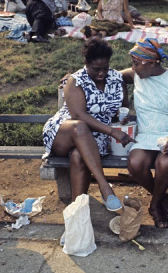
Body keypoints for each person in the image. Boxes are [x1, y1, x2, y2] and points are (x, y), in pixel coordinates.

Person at [42, 39, 130, 214]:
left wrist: (122, 117)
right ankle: (105, 188)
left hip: (96, 136)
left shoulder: (116, 78)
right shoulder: (75, 81)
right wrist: (113, 132)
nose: (101, 73)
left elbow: (122, 107)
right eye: (96, 69)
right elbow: (78, 115)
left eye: (105, 68)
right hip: (64, 131)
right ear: (86, 63)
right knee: (80, 127)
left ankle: (76, 214)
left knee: (79, 156)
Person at [119, 39, 168, 229]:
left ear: (151, 63)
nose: (133, 68)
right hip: (146, 135)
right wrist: (124, 104)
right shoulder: (136, 75)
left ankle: (154, 205)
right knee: (135, 163)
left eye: (136, 64)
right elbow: (112, 77)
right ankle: (162, 200)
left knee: (164, 162)